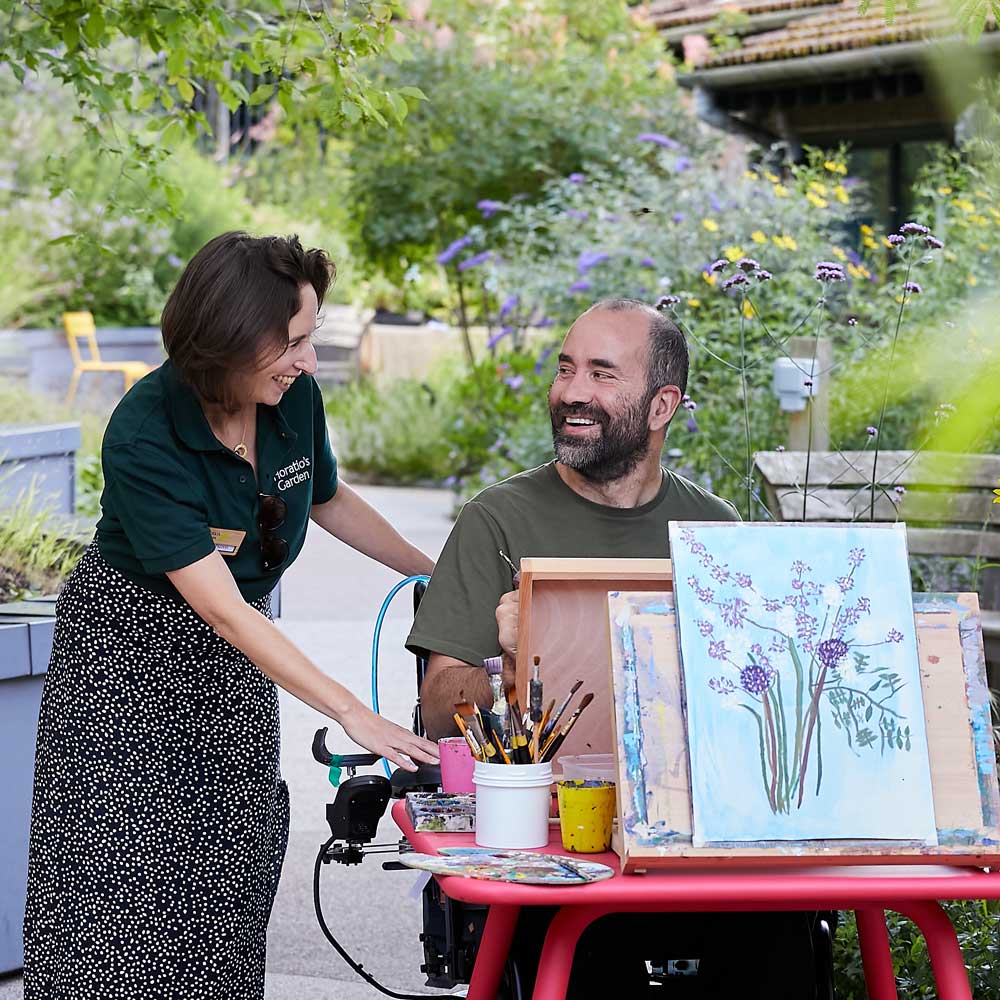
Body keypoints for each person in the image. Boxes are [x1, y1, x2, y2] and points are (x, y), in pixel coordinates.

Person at [24, 232, 438, 1000]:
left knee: (229, 862)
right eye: (293, 343)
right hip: (127, 657)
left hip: (232, 648)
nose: (309, 361)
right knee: (123, 880)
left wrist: (438, 573)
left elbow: (327, 497)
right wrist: (352, 711)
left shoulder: (290, 396)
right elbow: (216, 608)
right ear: (228, 338)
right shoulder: (145, 432)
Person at [406, 298, 826, 999]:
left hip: (696, 842)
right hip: (553, 843)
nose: (572, 392)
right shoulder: (497, 520)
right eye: (566, 369)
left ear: (662, 406)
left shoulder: (713, 528)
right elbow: (436, 711)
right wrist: (504, 667)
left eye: (602, 374)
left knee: (785, 938)